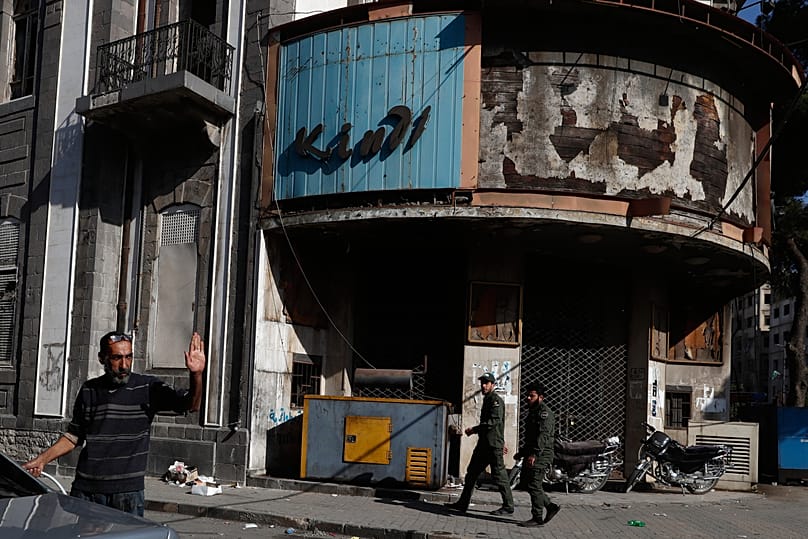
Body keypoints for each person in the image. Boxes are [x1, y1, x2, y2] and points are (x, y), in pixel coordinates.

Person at [23, 331, 206, 516]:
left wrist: (196, 375)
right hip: (87, 491)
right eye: (117, 358)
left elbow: (191, 405)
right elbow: (73, 437)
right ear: (102, 358)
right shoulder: (89, 390)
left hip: (127, 494)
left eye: (128, 357)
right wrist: (42, 460)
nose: (124, 365)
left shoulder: (147, 388)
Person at [444, 372, 515, 516]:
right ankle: (463, 504)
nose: (483, 385)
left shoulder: (495, 400)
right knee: (471, 474)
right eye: (482, 382)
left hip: (492, 446)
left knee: (499, 476)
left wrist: (474, 430)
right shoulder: (488, 400)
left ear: (493, 385)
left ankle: (508, 505)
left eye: (487, 383)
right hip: (484, 445)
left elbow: (493, 423)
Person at [515, 382, 560, 527]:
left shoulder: (545, 413)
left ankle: (537, 517)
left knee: (534, 484)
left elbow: (543, 436)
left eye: (532, 396)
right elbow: (530, 437)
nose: (528, 398)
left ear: (541, 397)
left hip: (542, 454)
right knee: (527, 483)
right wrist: (522, 452)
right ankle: (550, 506)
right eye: (527, 395)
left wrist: (534, 454)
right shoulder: (533, 412)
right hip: (533, 452)